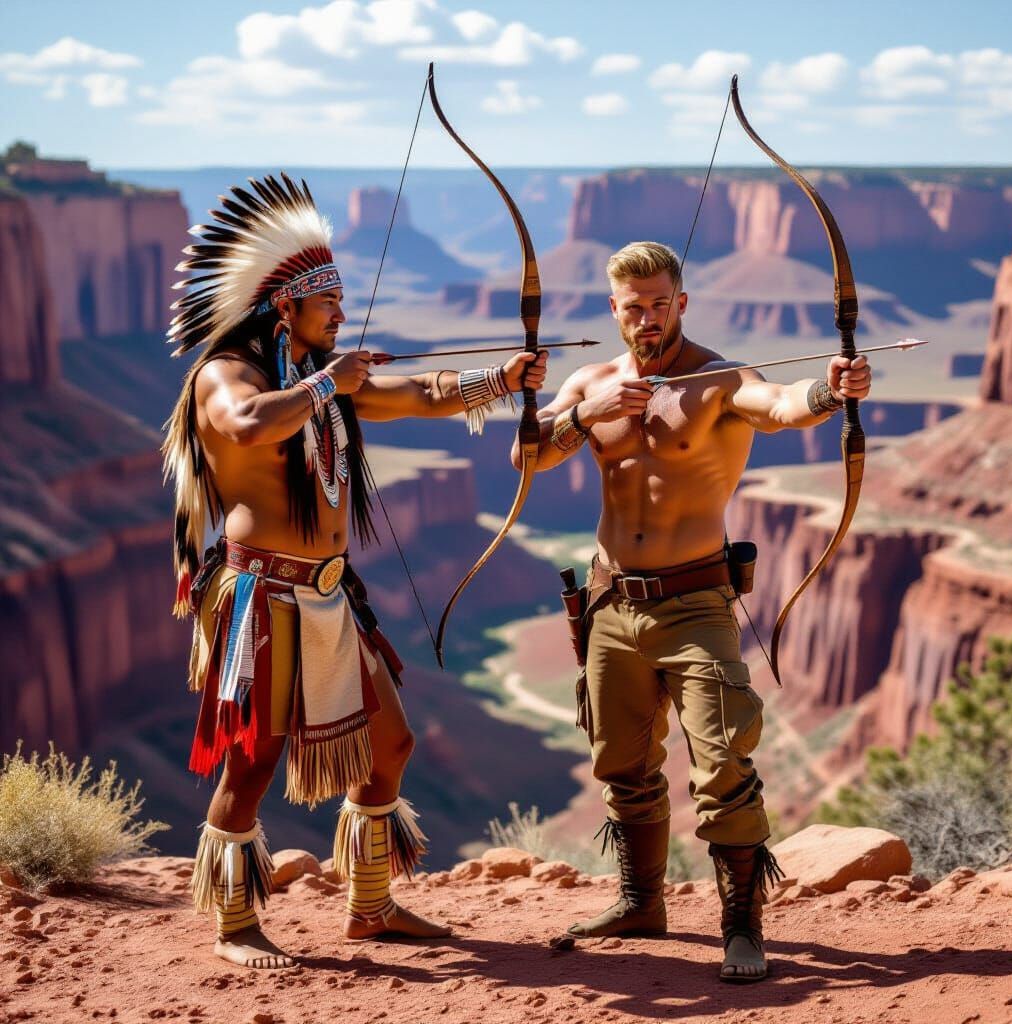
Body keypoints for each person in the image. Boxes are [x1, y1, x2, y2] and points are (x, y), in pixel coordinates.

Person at [164, 173, 547, 969]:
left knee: (391, 745)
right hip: (259, 598)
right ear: (285, 306)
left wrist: (502, 381)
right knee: (254, 757)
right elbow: (245, 424)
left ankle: (370, 906)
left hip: (329, 596)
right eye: (326, 302)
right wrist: (322, 384)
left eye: (339, 299)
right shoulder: (227, 376)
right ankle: (235, 925)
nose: (340, 314)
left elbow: (418, 392)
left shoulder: (324, 378)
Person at [513, 240, 870, 982]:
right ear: (614, 309)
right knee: (621, 762)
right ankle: (641, 902)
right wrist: (587, 411)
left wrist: (831, 391)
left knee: (723, 764)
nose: (648, 318)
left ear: (683, 301)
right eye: (634, 307)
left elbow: (779, 408)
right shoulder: (594, 383)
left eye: (661, 303)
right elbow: (529, 455)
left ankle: (741, 927)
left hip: (696, 603)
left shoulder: (719, 380)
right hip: (611, 604)